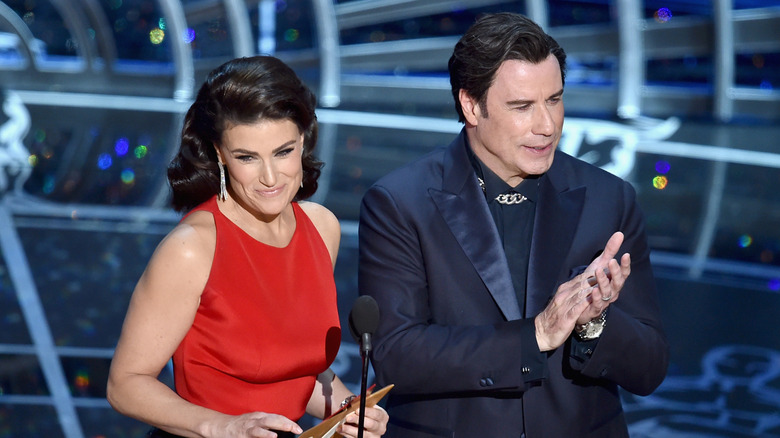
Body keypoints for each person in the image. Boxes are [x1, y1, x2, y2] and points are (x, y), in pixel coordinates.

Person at [357, 12, 669, 437]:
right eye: (522, 106)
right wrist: (535, 336)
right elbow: (397, 355)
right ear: (471, 105)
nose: (547, 126)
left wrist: (593, 324)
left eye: (554, 100)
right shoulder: (399, 202)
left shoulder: (608, 199)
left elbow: (650, 368)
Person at [107, 55, 388, 438]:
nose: (270, 177)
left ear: (303, 139)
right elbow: (125, 385)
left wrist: (348, 412)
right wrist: (224, 427)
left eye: (283, 152)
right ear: (219, 153)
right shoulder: (191, 248)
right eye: (247, 158)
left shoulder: (323, 228)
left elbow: (298, 369)